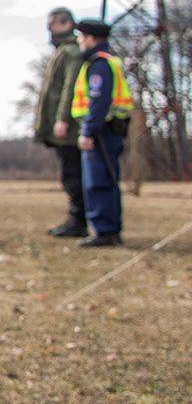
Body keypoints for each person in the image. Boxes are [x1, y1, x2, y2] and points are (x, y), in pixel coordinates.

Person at [71, 17, 132, 248]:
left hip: (101, 132)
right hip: (107, 130)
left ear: (90, 38)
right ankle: (108, 230)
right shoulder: (106, 61)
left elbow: (98, 101)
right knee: (105, 179)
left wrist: (87, 131)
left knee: (98, 181)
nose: (79, 42)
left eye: (80, 37)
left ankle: (105, 231)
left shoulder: (99, 64)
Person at [34, 8, 88, 238]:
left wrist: (62, 119)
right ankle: (77, 218)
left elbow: (70, 87)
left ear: (65, 24)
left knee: (73, 173)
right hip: (62, 126)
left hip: (68, 128)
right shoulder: (62, 52)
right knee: (70, 172)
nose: (48, 31)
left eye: (51, 25)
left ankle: (79, 220)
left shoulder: (71, 52)